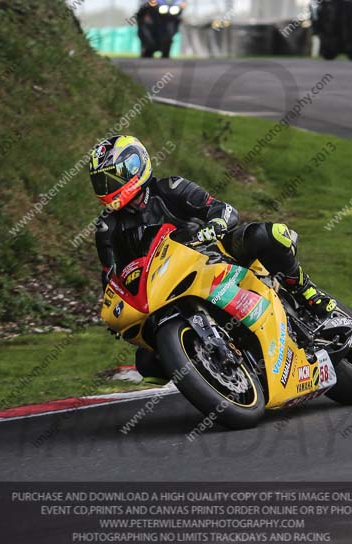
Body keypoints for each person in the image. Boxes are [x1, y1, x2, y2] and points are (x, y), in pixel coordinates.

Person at [89, 135, 336, 385]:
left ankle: (307, 294)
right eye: (102, 182)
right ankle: (211, 369)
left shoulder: (170, 188)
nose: (108, 187)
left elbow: (222, 209)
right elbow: (111, 277)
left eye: (113, 178)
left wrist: (215, 223)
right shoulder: (106, 228)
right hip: (163, 288)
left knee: (267, 235)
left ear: (135, 166)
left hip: (214, 253)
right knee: (147, 362)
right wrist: (118, 308)